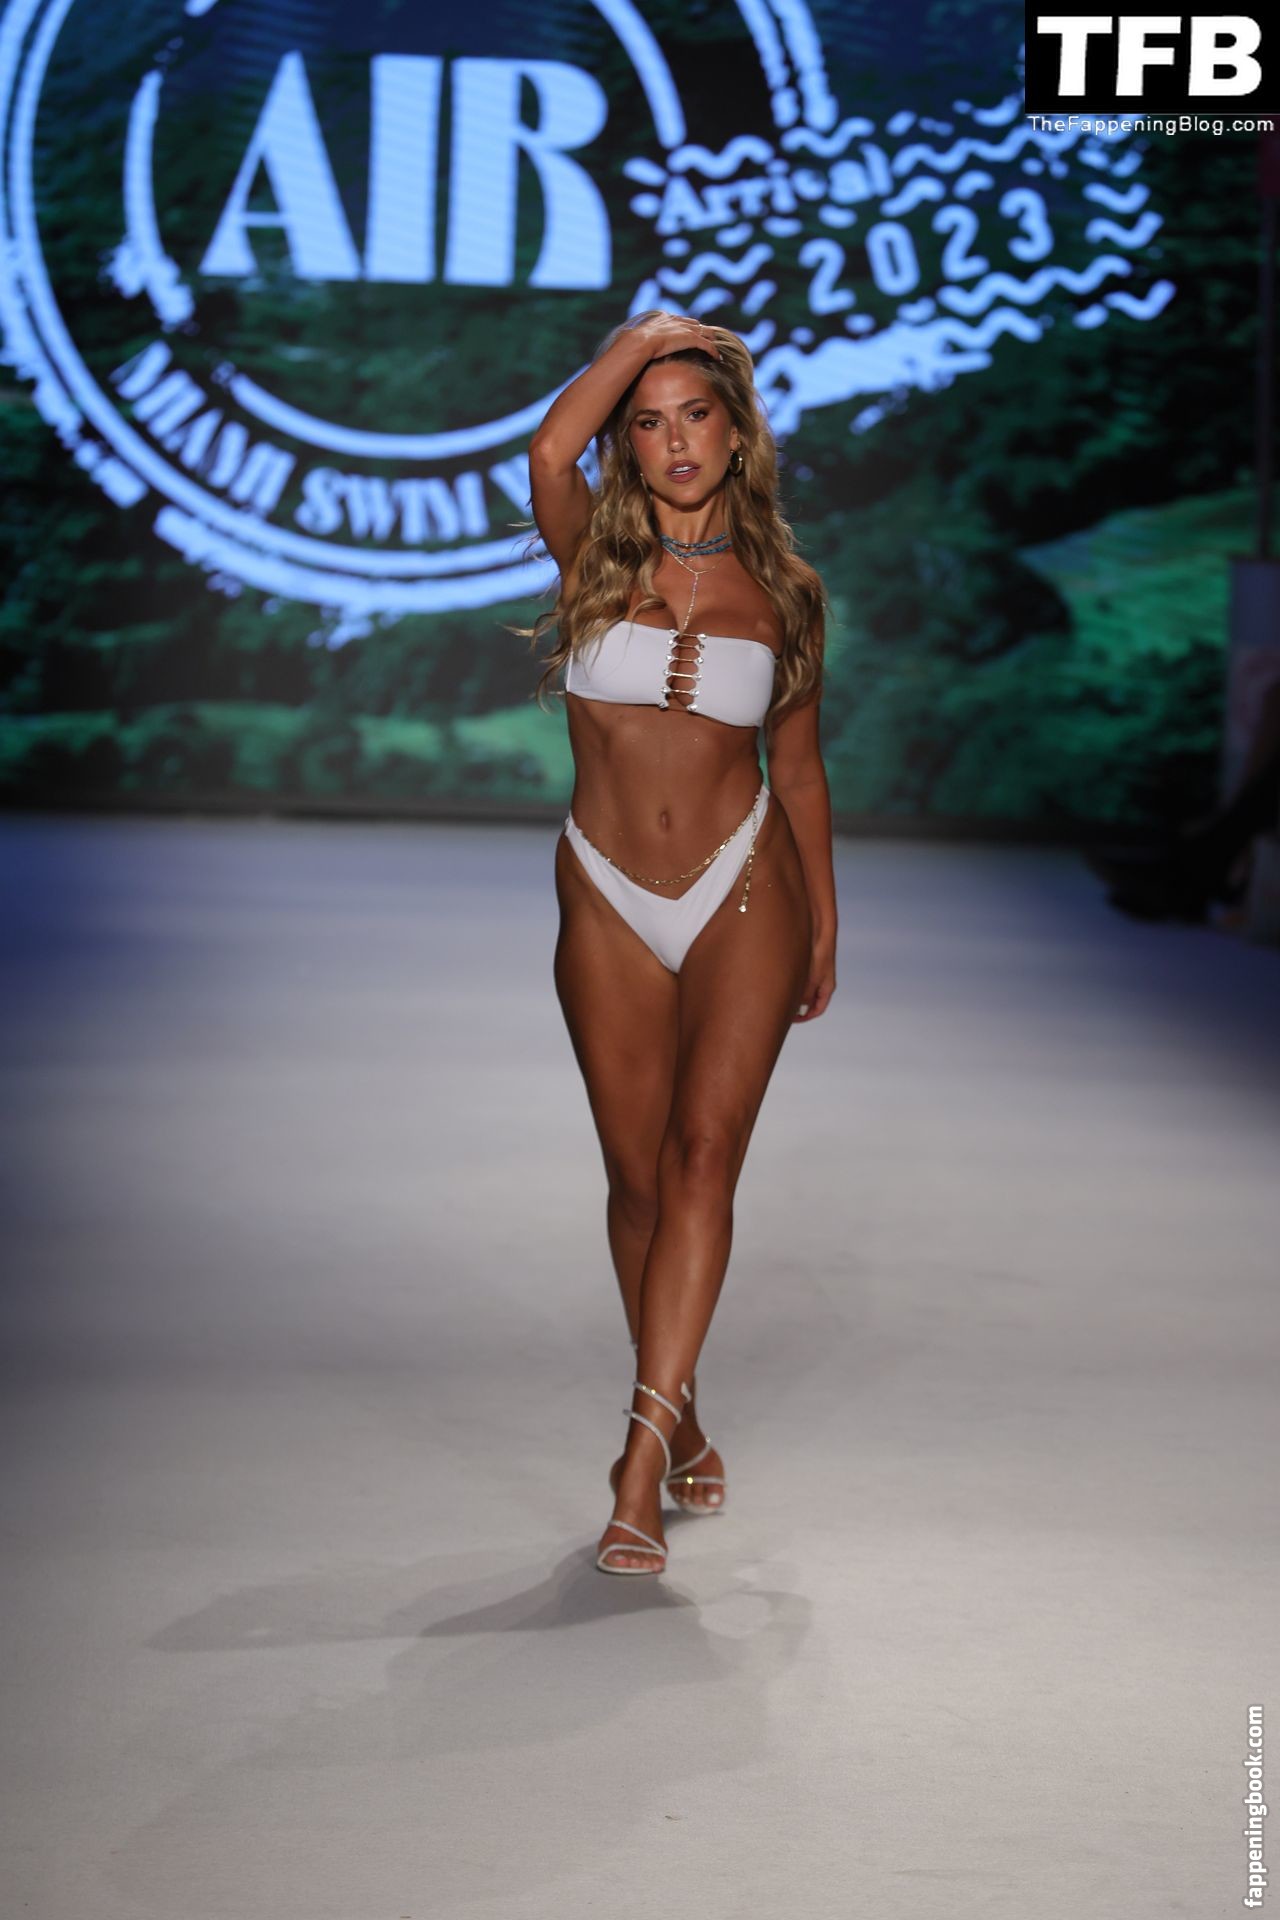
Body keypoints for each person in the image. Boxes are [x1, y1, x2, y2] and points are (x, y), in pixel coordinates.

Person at [525, 310, 837, 1576]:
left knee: (703, 1157)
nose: (673, 441)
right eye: (647, 423)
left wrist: (826, 921)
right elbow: (548, 452)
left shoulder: (787, 595)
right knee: (637, 1182)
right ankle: (687, 1409)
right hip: (604, 892)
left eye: (695, 414)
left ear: (735, 433)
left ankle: (640, 1459)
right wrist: (644, 338)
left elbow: (797, 774)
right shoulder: (589, 556)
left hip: (745, 887)